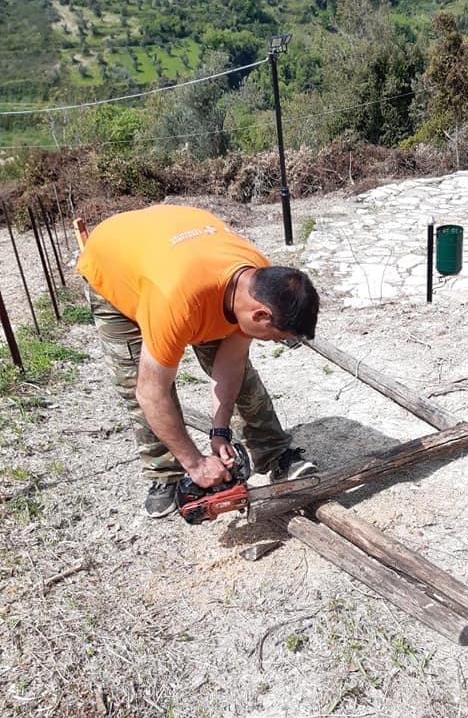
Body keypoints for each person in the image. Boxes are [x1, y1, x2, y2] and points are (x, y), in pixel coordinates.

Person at [77, 203, 319, 518]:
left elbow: (231, 364)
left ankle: (274, 453)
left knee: (244, 379)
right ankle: (166, 473)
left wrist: (220, 433)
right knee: (139, 383)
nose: (275, 342)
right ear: (260, 315)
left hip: (169, 249)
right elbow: (151, 393)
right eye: (276, 337)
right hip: (115, 266)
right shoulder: (177, 300)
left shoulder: (260, 280)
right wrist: (196, 463)